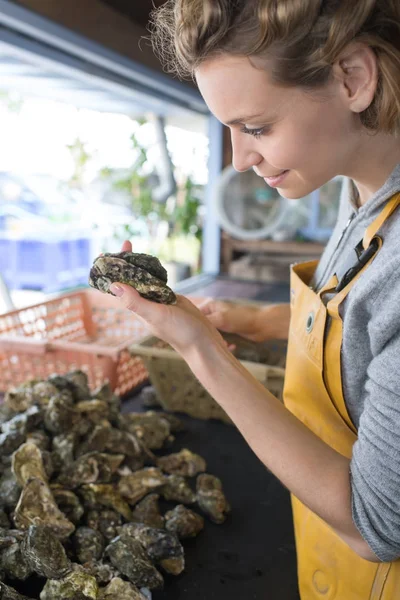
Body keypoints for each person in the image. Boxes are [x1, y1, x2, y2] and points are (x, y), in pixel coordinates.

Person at [106, 2, 400, 597]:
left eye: (257, 127)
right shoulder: (363, 185)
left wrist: (203, 352)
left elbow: (376, 525)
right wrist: (261, 321)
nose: (239, 160)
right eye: (228, 130)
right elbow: (366, 333)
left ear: (353, 78)